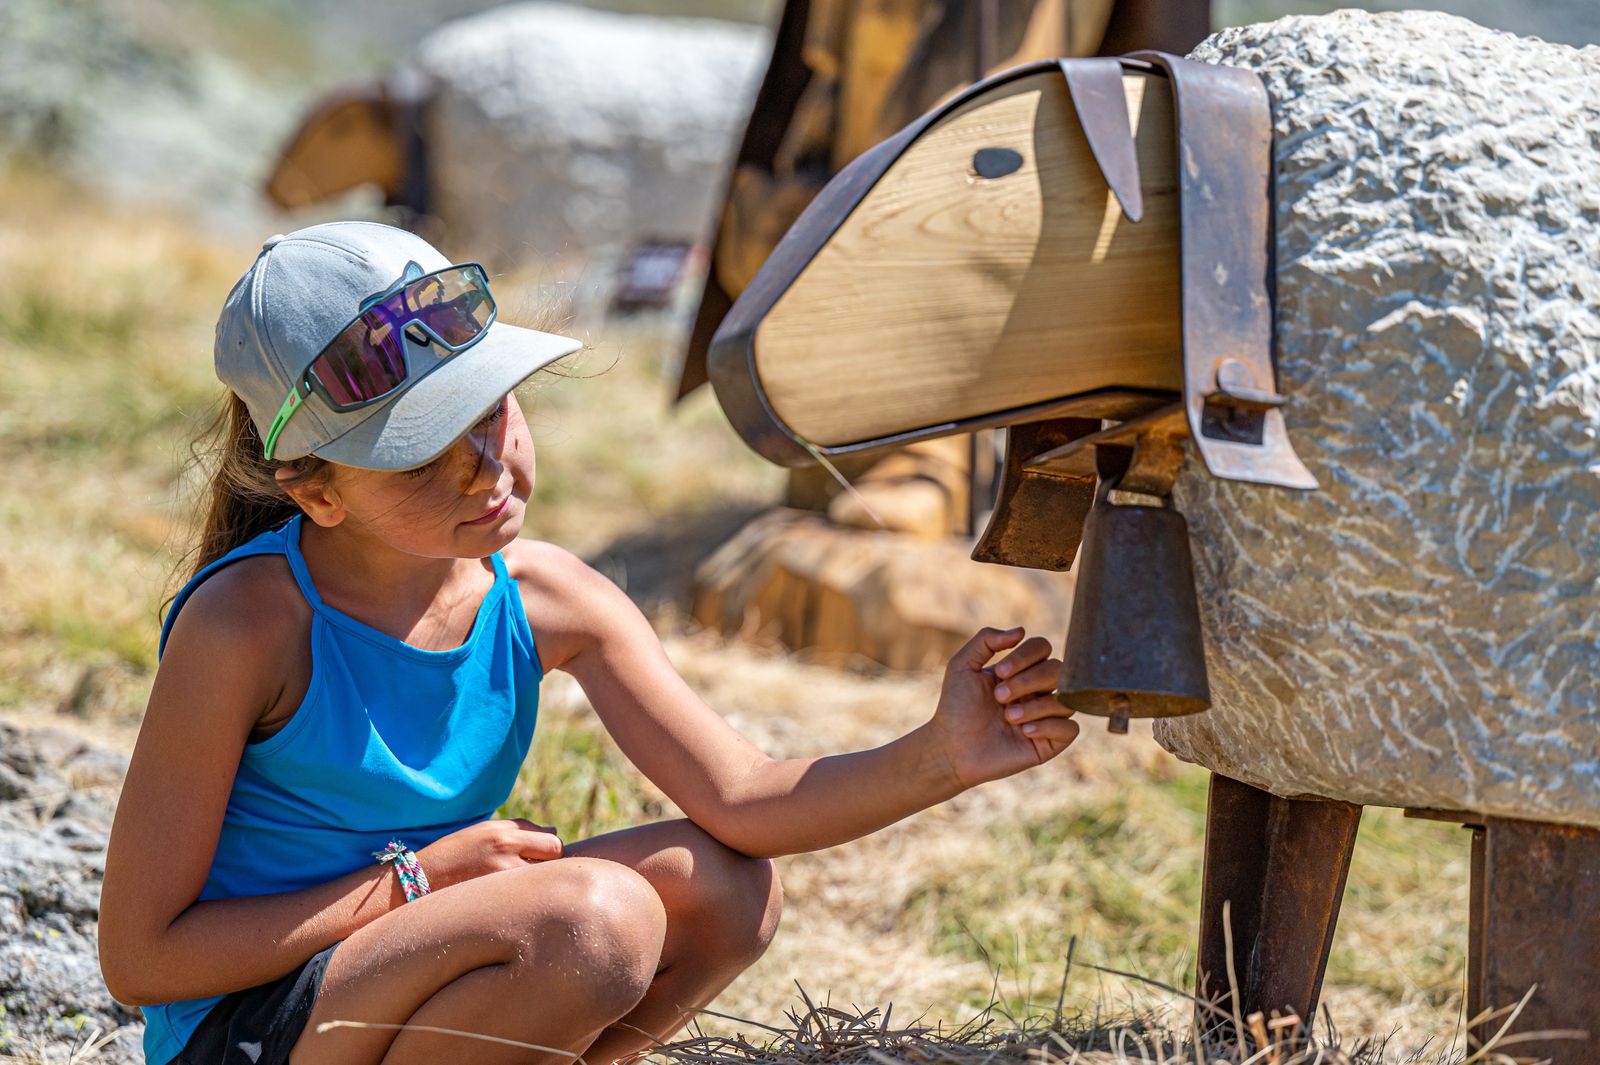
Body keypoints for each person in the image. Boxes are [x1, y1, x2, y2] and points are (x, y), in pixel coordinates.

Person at [97, 221, 1081, 1065]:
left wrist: (942, 754)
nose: (487, 472)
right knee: (588, 922)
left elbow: (744, 801)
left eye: (491, 415)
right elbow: (141, 961)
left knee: (725, 887)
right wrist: (415, 881)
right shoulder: (248, 624)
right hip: (245, 1026)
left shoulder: (549, 597)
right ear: (316, 491)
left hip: (394, 967)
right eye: (420, 459)